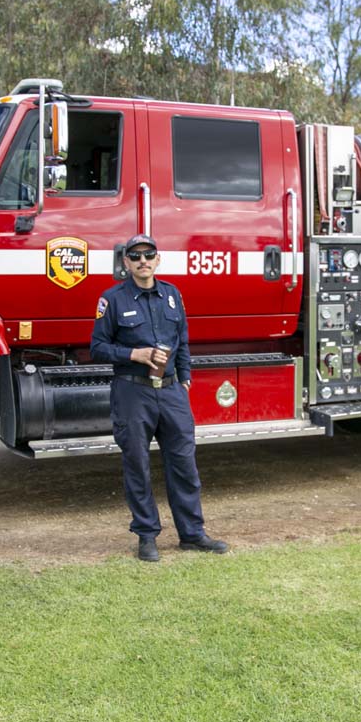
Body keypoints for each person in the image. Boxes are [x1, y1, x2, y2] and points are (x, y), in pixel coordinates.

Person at [90, 234, 228, 562]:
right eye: (134, 256)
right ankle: (147, 535)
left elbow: (182, 339)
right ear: (125, 263)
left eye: (148, 255)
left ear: (157, 259)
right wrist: (133, 353)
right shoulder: (112, 299)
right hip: (132, 392)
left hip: (171, 392)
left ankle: (192, 534)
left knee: (183, 462)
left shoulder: (172, 295)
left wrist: (186, 378)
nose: (142, 261)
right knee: (137, 464)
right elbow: (97, 347)